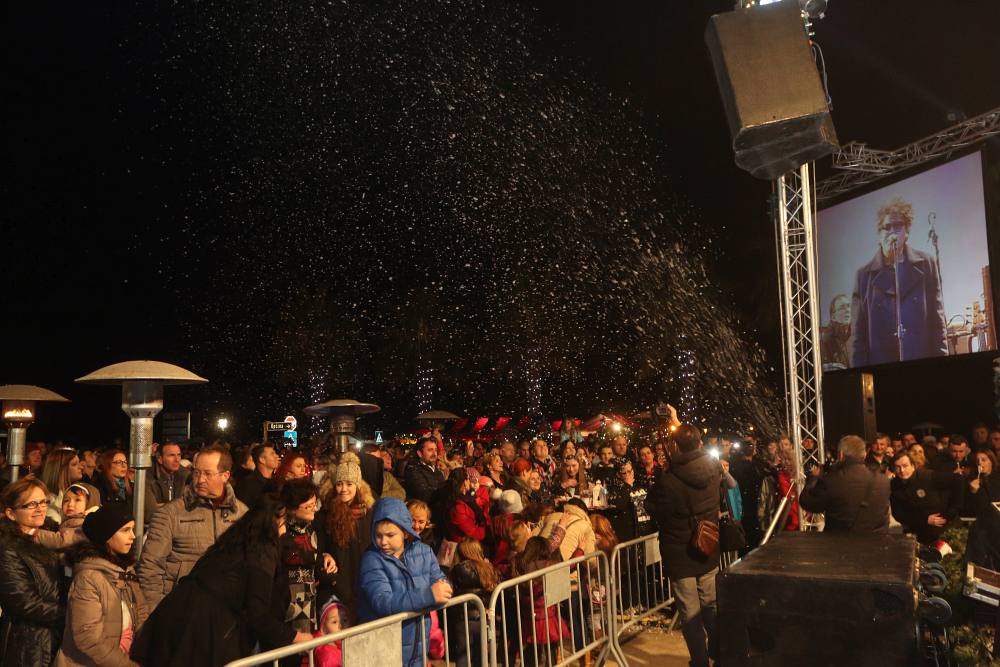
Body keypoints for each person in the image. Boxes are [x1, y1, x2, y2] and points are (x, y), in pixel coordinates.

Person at [130, 494, 310, 666]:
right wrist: (293, 637)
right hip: (205, 629)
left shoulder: (235, 540)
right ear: (273, 523)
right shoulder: (262, 551)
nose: (285, 530)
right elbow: (258, 612)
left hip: (177, 614)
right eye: (283, 523)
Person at [137, 444, 248, 609]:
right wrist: (157, 612)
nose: (200, 479)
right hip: (181, 608)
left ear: (225, 476)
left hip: (227, 609)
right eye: (197, 472)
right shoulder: (170, 514)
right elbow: (150, 568)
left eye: (208, 474)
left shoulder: (243, 514)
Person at [646, 425, 720, 667]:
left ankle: (700, 662)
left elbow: (655, 509)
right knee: (711, 606)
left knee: (690, 614)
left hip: (680, 554)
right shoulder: (712, 469)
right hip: (707, 546)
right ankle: (721, 654)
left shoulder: (669, 480)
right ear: (700, 443)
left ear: (675, 446)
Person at [849, 196, 947, 366]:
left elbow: (937, 322)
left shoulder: (926, 264)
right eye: (887, 227)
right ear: (879, 234)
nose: (892, 231)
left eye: (898, 226)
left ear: (907, 231)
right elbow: (858, 337)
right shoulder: (864, 276)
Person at [358, 498, 453, 667]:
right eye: (378, 535)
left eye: (390, 535)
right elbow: (382, 602)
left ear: (405, 532)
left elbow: (440, 582)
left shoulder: (424, 551)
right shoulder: (371, 559)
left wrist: (443, 591)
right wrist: (429, 595)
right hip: (385, 649)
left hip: (418, 647)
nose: (383, 541)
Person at [55, 505, 148, 667]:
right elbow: (88, 637)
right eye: (125, 530)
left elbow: (141, 612)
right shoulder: (89, 577)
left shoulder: (127, 570)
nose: (133, 536)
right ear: (106, 536)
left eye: (132, 530)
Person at [0, 478, 66, 666]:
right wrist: (74, 615)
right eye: (31, 504)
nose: (40, 508)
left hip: (56, 637)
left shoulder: (50, 538)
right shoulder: (8, 548)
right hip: (29, 644)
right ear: (11, 514)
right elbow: (25, 603)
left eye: (44, 501)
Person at [315, 453, 375, 620]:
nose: (344, 489)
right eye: (339, 484)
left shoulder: (368, 513)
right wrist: (324, 558)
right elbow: (318, 548)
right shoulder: (326, 514)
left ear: (358, 486)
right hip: (337, 586)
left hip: (364, 582)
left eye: (349, 484)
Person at [279, 480, 337, 635]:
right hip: (287, 604)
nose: (314, 510)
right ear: (292, 508)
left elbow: (314, 556)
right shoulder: (281, 531)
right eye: (309, 506)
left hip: (310, 600)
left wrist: (325, 556)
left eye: (315, 504)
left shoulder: (310, 528)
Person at [799, 435, 891, 532]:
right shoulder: (883, 480)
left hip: (841, 543)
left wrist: (813, 478)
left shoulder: (832, 480)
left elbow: (808, 503)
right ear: (864, 454)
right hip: (876, 543)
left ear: (841, 455)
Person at [512, 536, 569, 667]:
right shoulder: (548, 565)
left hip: (529, 615)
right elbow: (568, 568)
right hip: (547, 616)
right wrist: (580, 551)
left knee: (531, 651)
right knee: (551, 652)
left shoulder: (520, 564)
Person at [890, 451, 964, 547]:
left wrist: (953, 510)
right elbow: (899, 514)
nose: (902, 470)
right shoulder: (895, 486)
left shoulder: (927, 476)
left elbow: (958, 480)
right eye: (898, 467)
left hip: (947, 531)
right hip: (920, 533)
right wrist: (925, 519)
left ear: (913, 466)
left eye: (905, 466)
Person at [34, 482, 100, 552]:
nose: (70, 504)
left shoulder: (83, 524)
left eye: (77, 500)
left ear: (90, 504)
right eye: (66, 500)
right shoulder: (70, 520)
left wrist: (35, 533)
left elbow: (61, 541)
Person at [443, 468, 489, 545]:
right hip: (464, 546)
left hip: (471, 542)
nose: (469, 481)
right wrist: (488, 529)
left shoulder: (468, 497)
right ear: (464, 482)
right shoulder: (458, 508)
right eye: (468, 479)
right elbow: (474, 534)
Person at [40, 449, 85, 524]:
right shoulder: (50, 503)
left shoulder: (80, 490)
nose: (81, 467)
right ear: (61, 469)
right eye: (74, 464)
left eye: (79, 463)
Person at [144, 442, 190, 516]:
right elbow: (150, 512)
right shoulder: (148, 477)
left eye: (179, 455)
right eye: (171, 455)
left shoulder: (185, 476)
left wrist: (162, 506)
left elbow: (190, 508)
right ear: (160, 459)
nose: (177, 460)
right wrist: (178, 506)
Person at [235, 443, 279, 510]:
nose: (276, 456)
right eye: (272, 454)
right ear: (262, 460)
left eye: (275, 453)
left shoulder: (277, 482)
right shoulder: (247, 484)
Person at [404, 437, 446, 504]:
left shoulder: (437, 471)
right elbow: (424, 495)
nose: (434, 453)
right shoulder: (413, 469)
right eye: (430, 450)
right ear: (420, 453)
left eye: (435, 450)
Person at [312, 600, 348, 667]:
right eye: (334, 622)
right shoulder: (328, 654)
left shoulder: (350, 644)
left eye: (345, 620)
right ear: (323, 629)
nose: (341, 625)